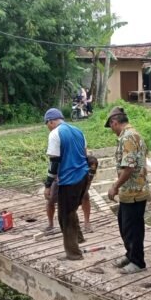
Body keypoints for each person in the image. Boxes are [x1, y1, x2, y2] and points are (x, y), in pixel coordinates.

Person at [105, 107, 150, 274]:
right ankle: (130, 255)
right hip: (129, 191)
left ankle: (138, 262)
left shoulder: (129, 137)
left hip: (134, 192)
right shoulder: (129, 135)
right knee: (124, 224)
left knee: (133, 228)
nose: (111, 130)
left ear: (114, 122)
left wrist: (114, 186)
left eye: (111, 126)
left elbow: (129, 167)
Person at [43, 108, 89, 261]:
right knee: (71, 209)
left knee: (65, 216)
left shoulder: (55, 134)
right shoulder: (78, 130)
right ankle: (79, 238)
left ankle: (73, 253)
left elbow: (54, 162)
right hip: (83, 176)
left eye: (47, 124)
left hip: (69, 180)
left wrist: (48, 185)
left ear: (51, 121)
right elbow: (85, 152)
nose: (48, 127)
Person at [45, 154, 98, 234]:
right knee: (51, 199)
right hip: (59, 177)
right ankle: (50, 224)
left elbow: (88, 182)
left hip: (76, 180)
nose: (92, 170)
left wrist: (82, 193)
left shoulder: (88, 169)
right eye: (90, 168)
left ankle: (87, 223)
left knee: (85, 196)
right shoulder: (65, 159)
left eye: (93, 169)